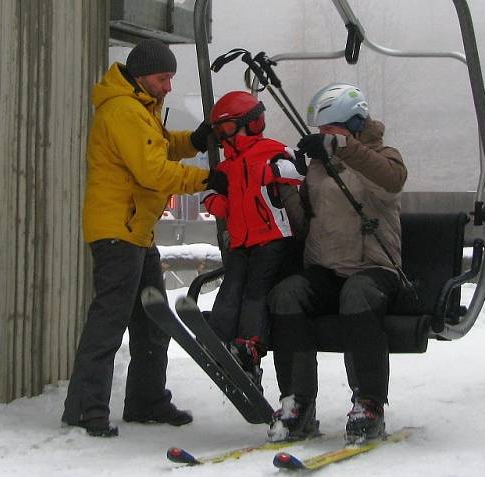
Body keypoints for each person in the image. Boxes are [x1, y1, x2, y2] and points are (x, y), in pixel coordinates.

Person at [61, 38, 223, 437]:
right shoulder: (122, 111)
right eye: (163, 78)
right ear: (141, 76)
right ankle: (85, 409)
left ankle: (147, 400)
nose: (168, 86)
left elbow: (163, 147)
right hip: (118, 231)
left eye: (171, 78)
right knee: (110, 320)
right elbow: (153, 170)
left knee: (152, 320)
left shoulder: (141, 108)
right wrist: (207, 178)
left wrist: (195, 141)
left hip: (137, 230)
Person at [266, 83, 408, 444]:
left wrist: (342, 150)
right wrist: (283, 188)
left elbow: (392, 183)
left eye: (332, 130)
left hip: (373, 268)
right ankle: (297, 400)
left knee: (358, 295)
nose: (324, 137)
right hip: (326, 268)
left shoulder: (383, 156)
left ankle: (368, 402)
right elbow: (305, 223)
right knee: (287, 294)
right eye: (322, 132)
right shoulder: (317, 167)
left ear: (354, 126)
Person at [201, 91, 306, 386]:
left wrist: (272, 172)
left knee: (255, 293)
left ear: (252, 123)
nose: (224, 137)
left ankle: (249, 348)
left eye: (229, 128)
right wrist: (217, 196)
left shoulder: (270, 150)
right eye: (219, 131)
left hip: (271, 238)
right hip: (239, 241)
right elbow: (209, 196)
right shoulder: (226, 166)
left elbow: (298, 169)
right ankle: (219, 339)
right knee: (232, 287)